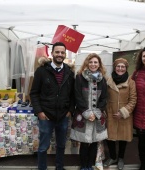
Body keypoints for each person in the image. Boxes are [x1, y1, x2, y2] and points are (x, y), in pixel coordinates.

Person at [30, 42, 75, 170]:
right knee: (44, 146)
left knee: (61, 145)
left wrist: (70, 111)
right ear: (52, 53)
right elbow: (34, 93)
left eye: (62, 52)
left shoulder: (69, 73)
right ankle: (42, 168)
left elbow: (73, 95)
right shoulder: (41, 71)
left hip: (63, 116)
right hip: (46, 116)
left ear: (65, 54)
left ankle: (59, 167)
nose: (59, 55)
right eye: (57, 52)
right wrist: (39, 112)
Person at [70, 53, 108, 170]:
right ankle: (84, 165)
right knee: (85, 143)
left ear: (99, 64)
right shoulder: (80, 77)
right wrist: (87, 113)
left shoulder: (103, 79)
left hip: (96, 116)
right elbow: (77, 96)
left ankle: (90, 165)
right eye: (91, 62)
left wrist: (96, 113)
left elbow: (104, 98)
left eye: (95, 62)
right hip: (83, 115)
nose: (93, 64)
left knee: (94, 142)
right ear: (87, 63)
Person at [103, 58, 137, 170]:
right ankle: (113, 157)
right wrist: (105, 111)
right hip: (110, 114)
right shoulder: (108, 81)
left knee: (123, 138)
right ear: (115, 67)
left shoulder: (131, 82)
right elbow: (104, 98)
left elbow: (133, 100)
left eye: (123, 67)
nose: (120, 68)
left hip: (125, 116)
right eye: (118, 66)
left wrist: (123, 112)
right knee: (110, 137)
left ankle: (121, 158)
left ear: (126, 68)